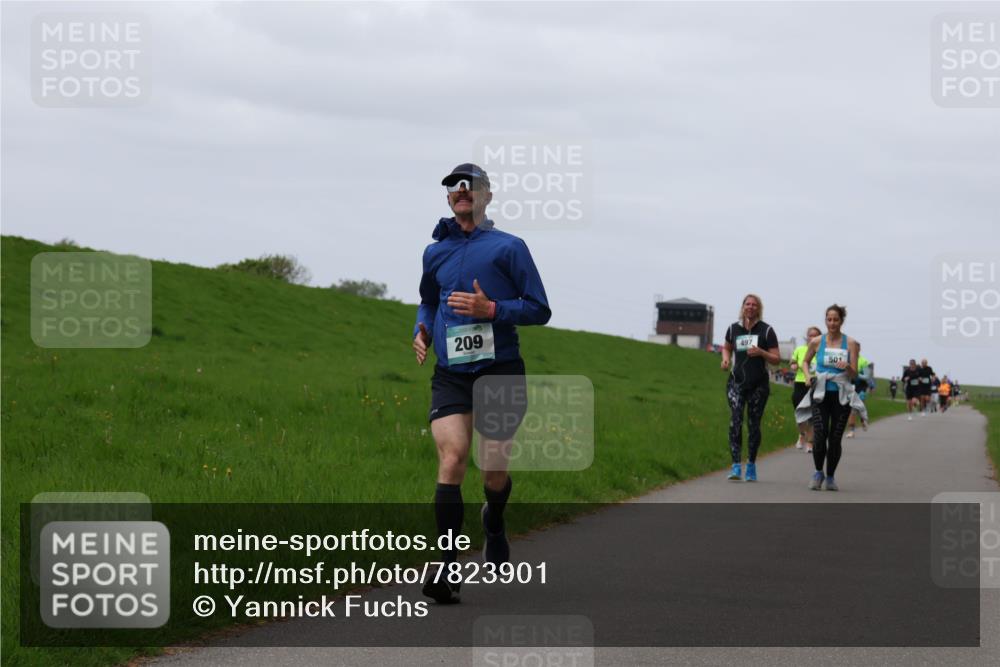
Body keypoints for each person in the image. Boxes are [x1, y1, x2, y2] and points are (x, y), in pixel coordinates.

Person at [413, 163, 551, 603]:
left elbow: (538, 308)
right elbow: (428, 300)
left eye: (469, 185)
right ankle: (449, 564)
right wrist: (422, 329)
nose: (460, 191)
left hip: (500, 369)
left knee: (493, 470)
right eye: (453, 187)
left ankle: (494, 519)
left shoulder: (510, 247)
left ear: (487, 195)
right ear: (448, 199)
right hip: (451, 373)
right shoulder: (434, 252)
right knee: (453, 457)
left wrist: (492, 310)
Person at [797, 304, 866, 491]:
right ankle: (818, 472)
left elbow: (853, 375)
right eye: (829, 319)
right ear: (825, 320)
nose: (832, 323)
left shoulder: (851, 343)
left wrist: (848, 367)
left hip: (841, 396)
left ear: (841, 321)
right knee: (820, 435)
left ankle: (830, 477)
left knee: (835, 438)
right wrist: (808, 376)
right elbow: (804, 361)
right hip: (820, 394)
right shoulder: (816, 342)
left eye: (836, 319)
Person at [720, 294, 780, 482]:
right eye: (748, 304)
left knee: (754, 425)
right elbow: (727, 347)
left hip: (758, 385)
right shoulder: (733, 328)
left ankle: (751, 464)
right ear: (743, 307)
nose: (751, 307)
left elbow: (776, 359)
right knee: (735, 421)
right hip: (736, 383)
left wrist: (761, 352)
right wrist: (726, 358)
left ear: (759, 308)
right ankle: (736, 466)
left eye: (754, 305)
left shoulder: (767, 330)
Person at [789, 326, 822, 452]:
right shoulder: (800, 349)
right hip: (800, 383)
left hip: (816, 384)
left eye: (816, 335)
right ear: (807, 337)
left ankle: (810, 442)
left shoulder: (822, 351)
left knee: (813, 415)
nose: (813, 338)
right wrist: (793, 365)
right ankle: (802, 435)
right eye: (811, 335)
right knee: (800, 413)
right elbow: (792, 361)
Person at [846, 352, 871, 438]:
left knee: (857, 407)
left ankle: (863, 419)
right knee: (851, 409)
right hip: (849, 387)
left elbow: (867, 376)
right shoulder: (846, 359)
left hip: (861, 388)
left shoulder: (863, 361)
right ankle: (851, 430)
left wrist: (856, 374)